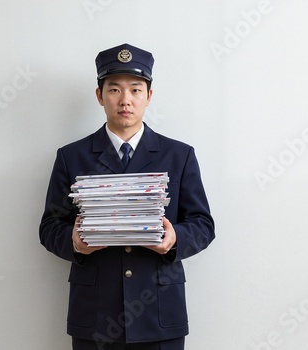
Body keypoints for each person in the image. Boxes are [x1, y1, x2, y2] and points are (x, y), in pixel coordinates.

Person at [39, 43, 215, 350]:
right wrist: (75, 242)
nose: (125, 100)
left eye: (135, 90)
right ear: (99, 96)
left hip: (159, 312)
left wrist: (175, 239)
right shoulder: (72, 157)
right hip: (95, 316)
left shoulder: (179, 155)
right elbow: (49, 227)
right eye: (114, 90)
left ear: (149, 96)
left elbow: (203, 224)